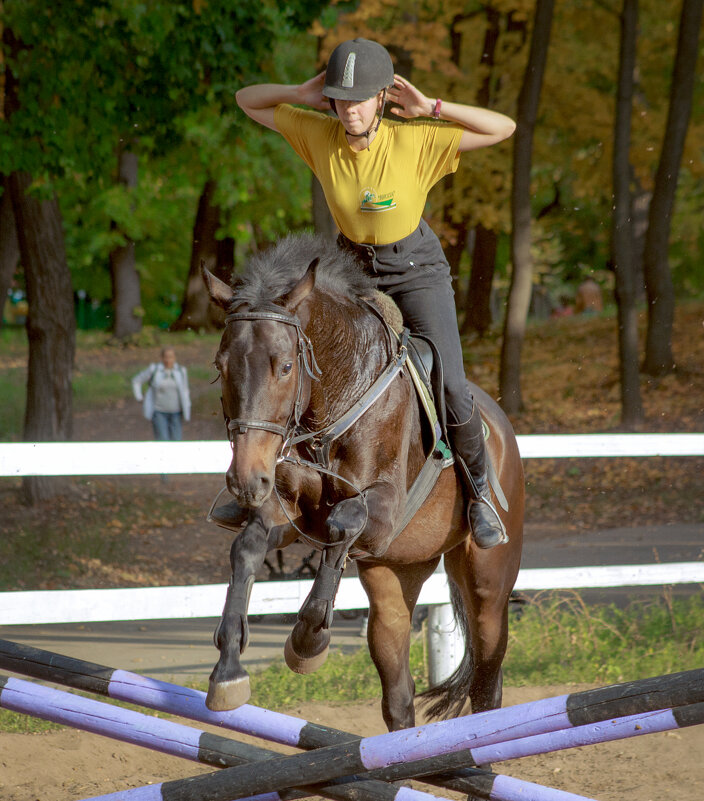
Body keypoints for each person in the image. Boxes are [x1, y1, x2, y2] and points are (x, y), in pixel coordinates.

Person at [225, 37, 515, 550]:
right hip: (350, 267)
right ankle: (274, 485)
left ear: (383, 98)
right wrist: (301, 92)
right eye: (339, 98)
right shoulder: (317, 131)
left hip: (415, 270)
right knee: (295, 357)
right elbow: (247, 99)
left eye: (358, 99)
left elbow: (502, 128)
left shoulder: (418, 139)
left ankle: (481, 492)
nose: (348, 109)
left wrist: (433, 108)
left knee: (447, 381)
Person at [132, 347, 191, 443]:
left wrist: (187, 407)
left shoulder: (181, 371)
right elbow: (136, 381)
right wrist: (139, 397)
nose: (168, 360)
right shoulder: (154, 370)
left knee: (177, 441)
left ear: (175, 358)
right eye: (166, 357)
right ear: (162, 358)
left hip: (176, 412)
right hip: (159, 412)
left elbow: (185, 390)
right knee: (163, 441)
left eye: (171, 357)